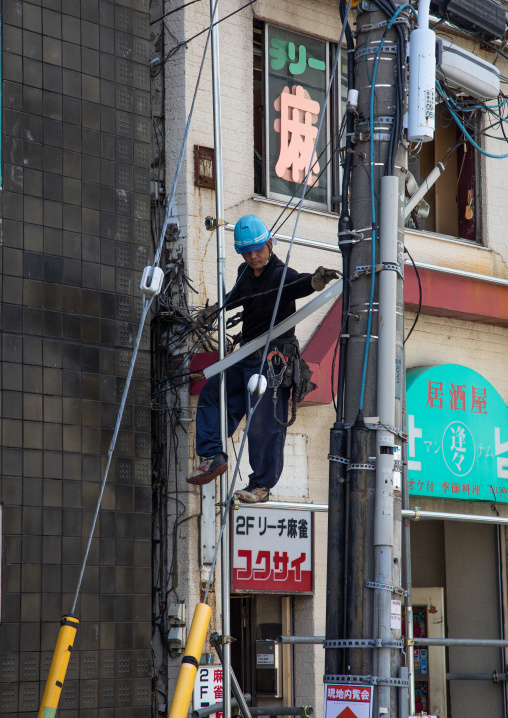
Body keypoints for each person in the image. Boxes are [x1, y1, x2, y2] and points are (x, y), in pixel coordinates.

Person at [186, 214, 339, 503]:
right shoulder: (245, 273)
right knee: (213, 393)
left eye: (257, 249)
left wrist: (317, 281)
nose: (253, 255)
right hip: (244, 356)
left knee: (263, 422)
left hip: (271, 360)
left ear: (270, 243)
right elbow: (235, 297)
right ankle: (213, 455)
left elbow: (299, 284)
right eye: (247, 251)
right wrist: (214, 310)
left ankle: (261, 485)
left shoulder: (280, 273)